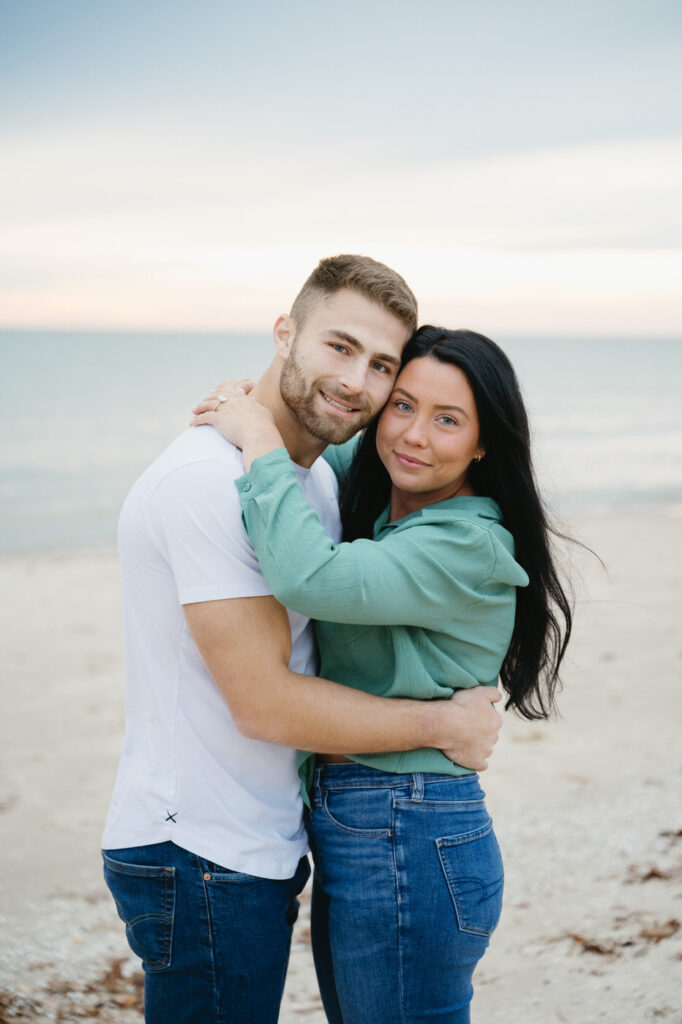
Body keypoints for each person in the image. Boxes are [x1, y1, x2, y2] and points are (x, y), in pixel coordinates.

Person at [101, 257, 503, 1024]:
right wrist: (443, 724)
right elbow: (264, 702)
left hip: (259, 842)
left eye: (382, 365)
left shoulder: (305, 477)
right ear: (285, 333)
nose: (356, 381)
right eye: (338, 347)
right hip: (200, 851)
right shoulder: (208, 484)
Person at [191, 325, 572, 1023]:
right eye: (401, 405)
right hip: (368, 818)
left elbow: (310, 575)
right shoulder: (389, 507)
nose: (413, 435)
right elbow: (319, 443)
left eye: (447, 420)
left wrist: (259, 442)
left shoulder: (466, 540)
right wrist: (254, 403)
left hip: (409, 821)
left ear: (484, 444)